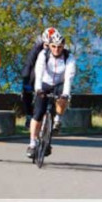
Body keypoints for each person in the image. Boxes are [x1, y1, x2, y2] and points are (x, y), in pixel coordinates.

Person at [28, 29, 75, 157]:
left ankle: (57, 120)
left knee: (63, 98)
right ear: (49, 45)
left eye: (59, 47)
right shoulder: (44, 54)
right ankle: (32, 143)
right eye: (53, 46)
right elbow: (39, 72)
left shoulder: (69, 57)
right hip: (44, 83)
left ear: (63, 46)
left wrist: (65, 93)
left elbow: (69, 77)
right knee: (37, 114)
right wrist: (38, 89)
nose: (56, 49)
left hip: (60, 84)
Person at [19, 27, 57, 128]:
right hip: (36, 74)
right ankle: (28, 115)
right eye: (46, 45)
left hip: (51, 76)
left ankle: (54, 116)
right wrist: (26, 78)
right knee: (26, 90)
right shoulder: (36, 49)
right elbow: (29, 64)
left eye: (51, 46)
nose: (48, 48)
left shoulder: (59, 51)